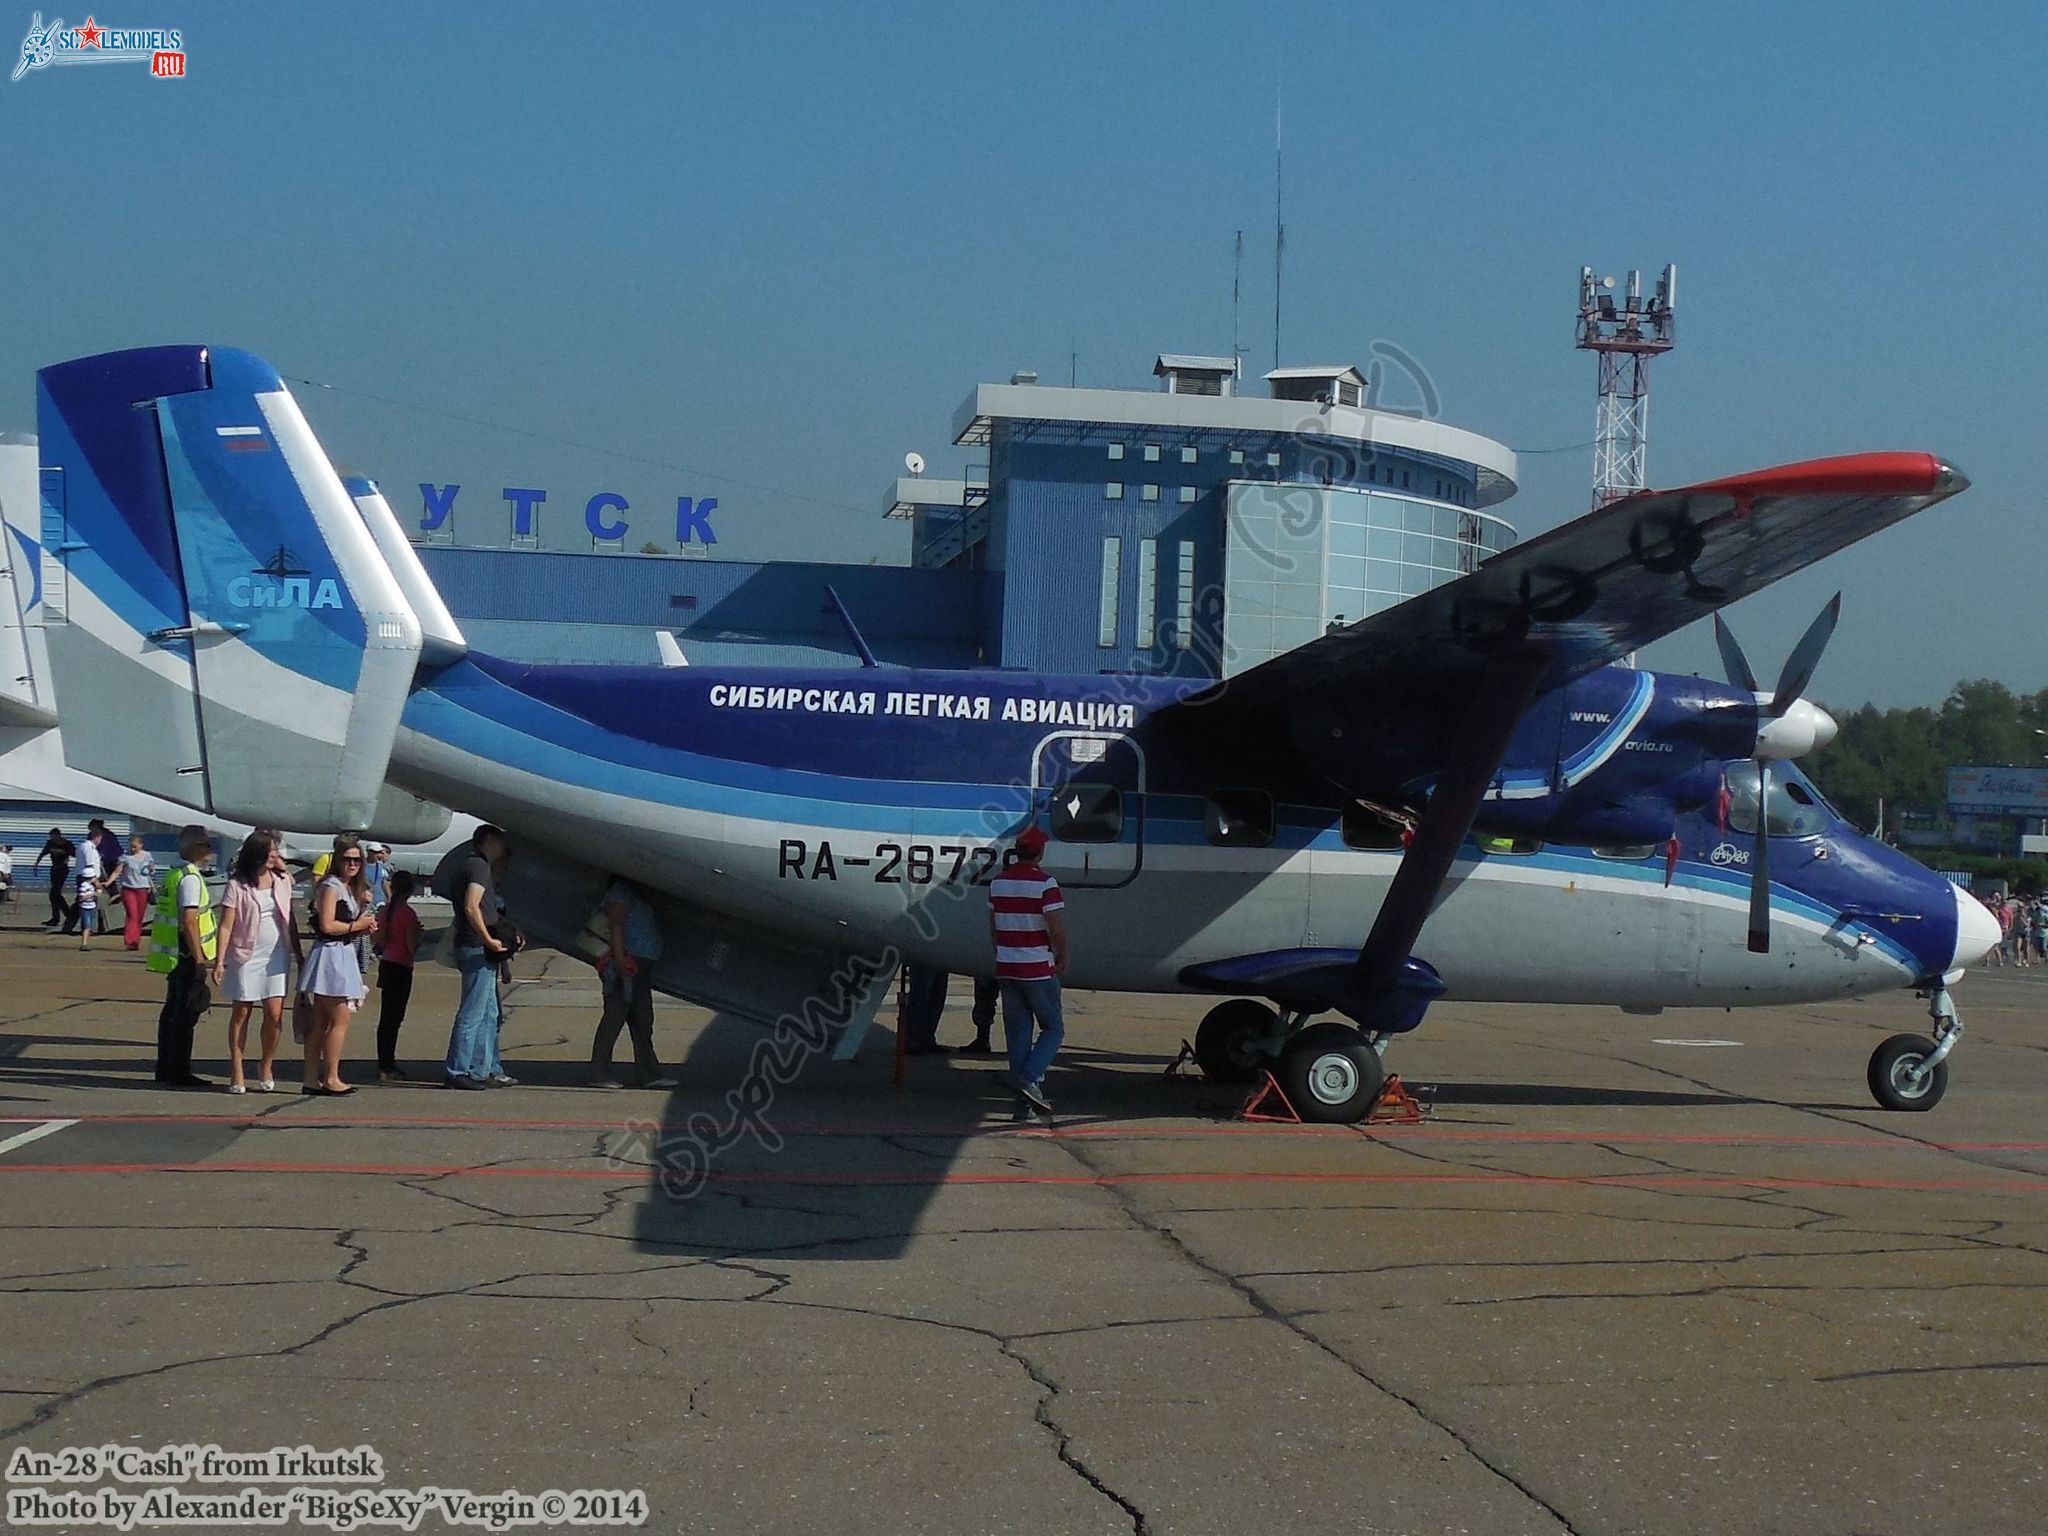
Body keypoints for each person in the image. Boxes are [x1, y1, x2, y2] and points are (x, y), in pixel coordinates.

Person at [211, 830, 301, 1094]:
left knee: (274, 1014)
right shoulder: (237, 885)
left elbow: (290, 918)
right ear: (258, 854)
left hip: (276, 955)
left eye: (276, 851)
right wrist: (219, 961)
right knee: (242, 1013)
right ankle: (237, 1068)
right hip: (244, 955)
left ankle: (266, 1065)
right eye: (271, 851)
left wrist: (298, 952)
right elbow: (226, 925)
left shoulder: (281, 880)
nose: (276, 855)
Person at [988, 825, 1068, 1116]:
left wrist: (1002, 951)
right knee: (1053, 1028)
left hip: (1007, 966)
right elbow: (1056, 928)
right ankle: (1030, 1078)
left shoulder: (998, 883)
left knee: (1018, 1034)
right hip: (1036, 967)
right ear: (1040, 853)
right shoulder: (1046, 884)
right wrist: (1062, 955)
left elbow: (993, 927)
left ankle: (1023, 1108)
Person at [299, 834, 374, 1096]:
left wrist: (362, 917)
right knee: (339, 1020)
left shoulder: (347, 887)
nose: (352, 864)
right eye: (347, 859)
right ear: (337, 860)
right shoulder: (331, 887)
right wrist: (358, 925)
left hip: (339, 954)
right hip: (332, 956)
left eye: (357, 860)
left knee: (320, 1021)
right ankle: (331, 1077)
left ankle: (311, 1078)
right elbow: (327, 925)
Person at [442, 824, 512, 1089]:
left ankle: (481, 1068)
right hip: (476, 946)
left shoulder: (474, 865)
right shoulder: (478, 866)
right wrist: (488, 940)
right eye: (501, 841)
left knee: (488, 1012)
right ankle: (458, 1069)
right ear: (490, 841)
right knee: (473, 1013)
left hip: (479, 946)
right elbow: (472, 906)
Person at [147, 824, 217, 1087]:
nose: (209, 849)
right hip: (185, 955)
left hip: (175, 954)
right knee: (184, 1015)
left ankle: (167, 1067)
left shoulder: (175, 873)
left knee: (173, 1014)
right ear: (193, 848)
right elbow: (189, 922)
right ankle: (177, 1070)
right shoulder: (190, 878)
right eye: (205, 844)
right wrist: (199, 960)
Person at [590, 877, 677, 1088]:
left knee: (643, 1020)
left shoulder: (636, 890)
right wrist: (620, 960)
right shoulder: (621, 890)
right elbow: (616, 922)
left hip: (639, 965)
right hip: (627, 964)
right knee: (615, 1017)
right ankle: (600, 1073)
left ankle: (648, 1072)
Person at [373, 869, 422, 1081]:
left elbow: (380, 941)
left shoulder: (385, 911)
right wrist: (418, 935)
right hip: (402, 966)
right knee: (394, 1018)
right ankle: (388, 1064)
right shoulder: (407, 914)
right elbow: (411, 947)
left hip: (388, 963)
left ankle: (384, 1061)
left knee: (386, 1017)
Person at [115, 837, 157, 950]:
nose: (132, 849)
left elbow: (151, 871)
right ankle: (130, 940)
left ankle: (136, 940)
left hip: (143, 889)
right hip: (129, 888)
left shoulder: (148, 856)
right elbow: (117, 871)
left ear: (141, 845)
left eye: (135, 846)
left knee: (139, 916)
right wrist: (109, 881)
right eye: (131, 846)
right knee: (132, 914)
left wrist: (152, 869)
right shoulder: (125, 857)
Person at [900, 963, 952, 1056]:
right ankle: (912, 1040)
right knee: (920, 995)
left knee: (937, 996)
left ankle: (927, 1038)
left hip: (942, 957)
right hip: (925, 959)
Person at [33, 827, 74, 930]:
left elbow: (75, 854)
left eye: (53, 836)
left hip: (63, 869)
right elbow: (43, 853)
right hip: (54, 868)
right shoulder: (50, 843)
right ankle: (61, 916)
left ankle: (67, 914)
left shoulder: (66, 844)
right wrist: (36, 864)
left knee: (54, 893)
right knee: (54, 894)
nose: (52, 838)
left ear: (58, 835)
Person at [86, 818, 121, 934]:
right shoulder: (90, 836)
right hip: (99, 861)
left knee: (109, 877)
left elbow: (110, 849)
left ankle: (114, 894)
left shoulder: (107, 835)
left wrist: (101, 855)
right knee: (98, 879)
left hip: (111, 859)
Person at [73, 833, 105, 950]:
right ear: (97, 837)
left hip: (85, 877)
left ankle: (86, 930)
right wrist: (96, 882)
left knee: (88, 908)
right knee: (87, 906)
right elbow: (90, 864)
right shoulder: (89, 847)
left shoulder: (82, 846)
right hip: (88, 878)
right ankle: (86, 932)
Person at [364, 843, 391, 911]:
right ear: (368, 852)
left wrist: (389, 898)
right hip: (366, 901)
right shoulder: (361, 866)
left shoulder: (381, 866)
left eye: (379, 852)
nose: (377, 855)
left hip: (380, 901)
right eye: (375, 852)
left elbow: (384, 883)